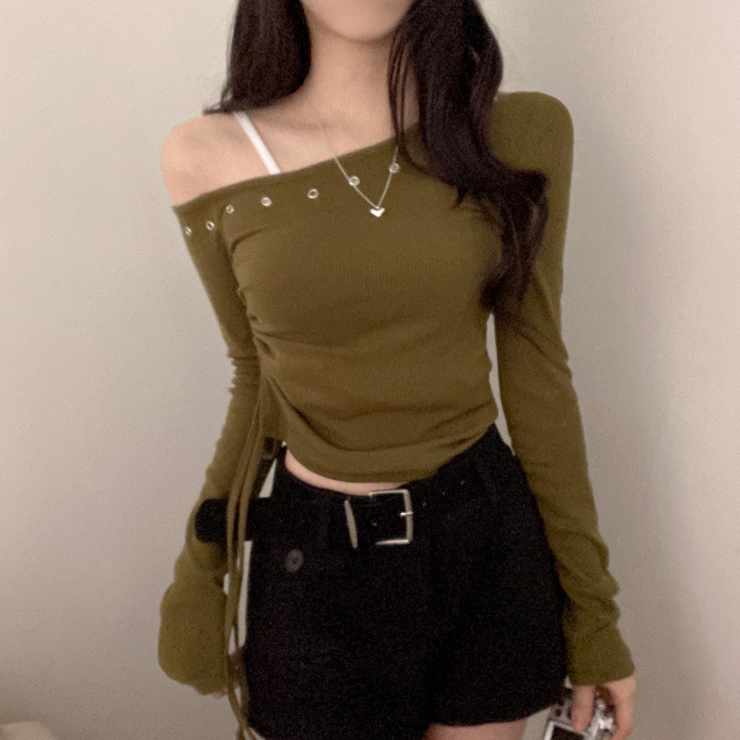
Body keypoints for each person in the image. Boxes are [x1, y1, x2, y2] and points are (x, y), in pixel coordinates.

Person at [157, 1, 637, 739]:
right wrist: (202, 566)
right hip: (319, 567)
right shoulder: (206, 156)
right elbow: (256, 375)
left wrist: (593, 615)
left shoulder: (519, 131)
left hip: (486, 545)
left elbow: (537, 369)